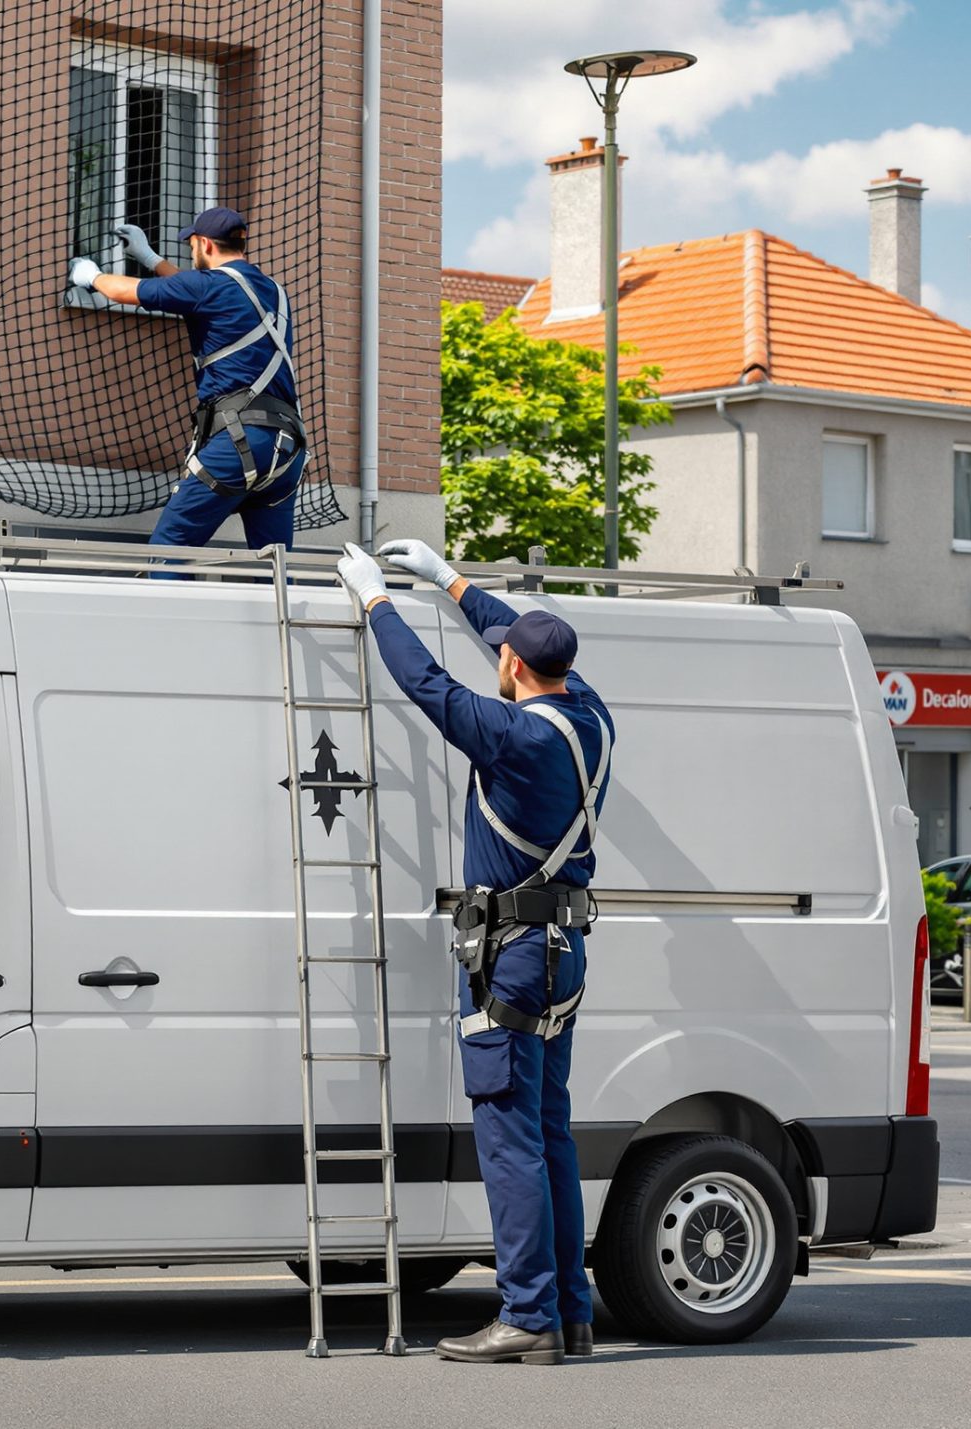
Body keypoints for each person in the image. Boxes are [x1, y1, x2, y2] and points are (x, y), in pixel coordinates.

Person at [335, 537, 615, 1367]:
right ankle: (569, 1311)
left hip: (512, 957)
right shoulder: (589, 715)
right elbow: (510, 636)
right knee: (551, 1133)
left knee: (509, 1140)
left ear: (514, 669)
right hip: (562, 950)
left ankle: (526, 1315)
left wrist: (378, 600)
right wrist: (450, 579)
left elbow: (426, 684)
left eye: (504, 655)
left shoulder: (513, 737)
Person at [67, 206, 308, 555]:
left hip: (240, 443)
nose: (191, 251)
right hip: (286, 452)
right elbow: (194, 289)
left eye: (192, 245)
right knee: (274, 564)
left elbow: (123, 292)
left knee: (170, 548)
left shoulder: (209, 287)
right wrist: (150, 258)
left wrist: (91, 276)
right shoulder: (273, 291)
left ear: (206, 245)